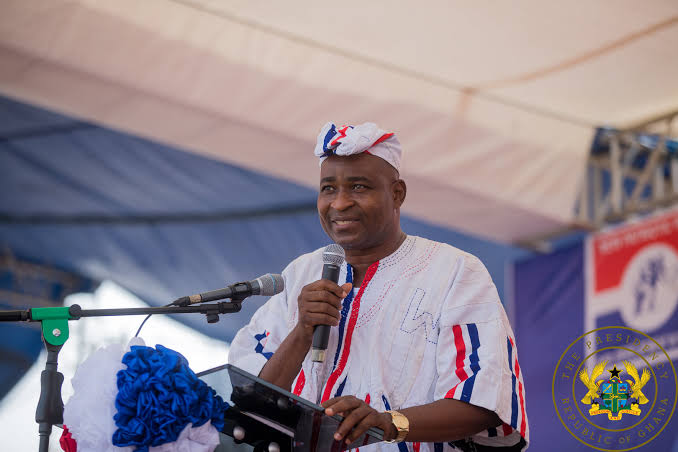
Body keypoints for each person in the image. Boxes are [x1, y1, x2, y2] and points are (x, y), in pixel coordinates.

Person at [228, 122, 529, 451]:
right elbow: (252, 400)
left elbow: (484, 400)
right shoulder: (302, 272)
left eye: (358, 187)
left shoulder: (454, 272)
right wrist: (302, 332)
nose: (339, 203)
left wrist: (389, 423)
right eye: (328, 188)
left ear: (397, 193)